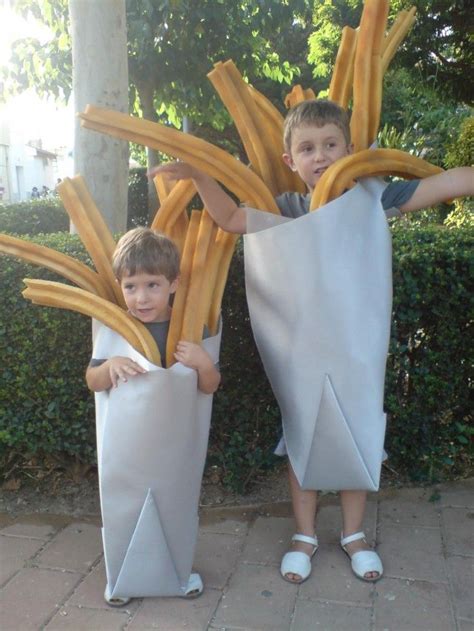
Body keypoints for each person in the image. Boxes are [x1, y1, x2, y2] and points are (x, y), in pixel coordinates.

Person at [149, 99, 474, 585]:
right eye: (307, 148)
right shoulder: (285, 207)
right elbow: (232, 220)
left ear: (350, 150)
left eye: (329, 145)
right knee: (302, 434)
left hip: (356, 348)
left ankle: (353, 535)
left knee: (357, 435)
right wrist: (199, 175)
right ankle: (304, 534)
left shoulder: (373, 195)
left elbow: (444, 184)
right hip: (302, 350)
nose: (319, 156)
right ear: (290, 161)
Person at [86, 227, 221, 604]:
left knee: (177, 500)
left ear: (174, 283)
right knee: (122, 500)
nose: (141, 297)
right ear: (120, 286)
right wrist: (109, 365)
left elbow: (209, 386)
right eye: (131, 287)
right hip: (126, 447)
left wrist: (203, 362)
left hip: (176, 444)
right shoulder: (113, 328)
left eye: (152, 285)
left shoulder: (195, 327)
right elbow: (93, 381)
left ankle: (179, 573)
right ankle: (121, 577)